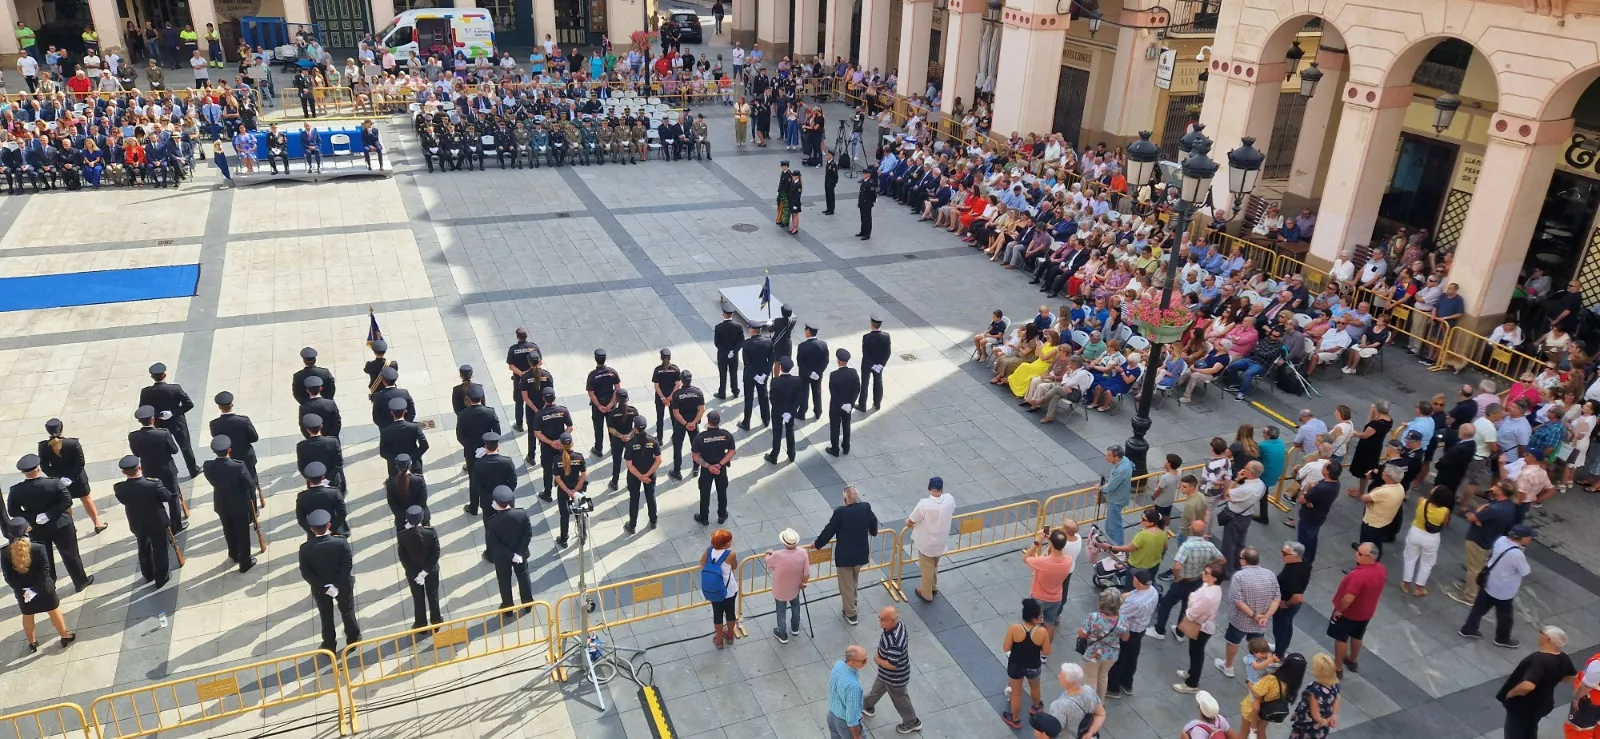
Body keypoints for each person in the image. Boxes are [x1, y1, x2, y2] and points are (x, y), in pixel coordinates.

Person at [8, 455, 91, 592]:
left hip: (36, 528)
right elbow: (66, 501)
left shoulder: (16, 490)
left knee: (44, 558)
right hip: (61, 524)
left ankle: (49, 584)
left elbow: (13, 511)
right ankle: (80, 581)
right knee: (70, 554)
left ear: (23, 473)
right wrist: (49, 514)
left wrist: (33, 517)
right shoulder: (54, 483)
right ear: (38, 468)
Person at [2, 518, 75, 653]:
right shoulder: (37, 548)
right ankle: (65, 635)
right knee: (54, 612)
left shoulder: (4, 553)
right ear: (26, 530)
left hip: (23, 594)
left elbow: (8, 577)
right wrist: (34, 589)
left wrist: (24, 590)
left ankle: (32, 642)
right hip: (44, 589)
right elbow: (45, 571)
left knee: (28, 615)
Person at [1460, 524, 1537, 648]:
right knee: (1505, 617)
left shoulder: (1500, 540)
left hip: (1489, 582)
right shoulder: (1517, 554)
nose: (1530, 539)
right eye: (1529, 537)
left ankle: (1468, 629)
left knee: (1478, 609)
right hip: (1503, 591)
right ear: (1522, 538)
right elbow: (1525, 571)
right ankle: (1502, 638)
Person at [1498, 626, 1578, 739]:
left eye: (1541, 633)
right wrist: (1552, 680)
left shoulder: (1538, 660)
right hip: (1544, 703)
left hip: (1523, 706)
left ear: (1547, 639)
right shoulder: (1563, 657)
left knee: (1514, 732)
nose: (1539, 634)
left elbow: (1528, 686)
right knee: (1530, 728)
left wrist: (1511, 693)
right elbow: (1572, 677)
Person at [1149, 519, 1223, 640]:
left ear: (1190, 530)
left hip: (1184, 581)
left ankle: (1159, 630)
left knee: (1166, 604)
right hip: (1198, 580)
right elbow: (1222, 560)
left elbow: (1177, 566)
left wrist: (1178, 578)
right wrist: (1207, 566)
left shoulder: (1187, 546)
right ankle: (1180, 632)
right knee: (1186, 606)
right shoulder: (1209, 546)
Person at [815, 485, 878, 625]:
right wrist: (873, 532)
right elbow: (873, 521)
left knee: (846, 585)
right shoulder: (865, 507)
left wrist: (818, 544)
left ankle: (851, 613)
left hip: (845, 556)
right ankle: (853, 601)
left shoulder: (840, 512)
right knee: (853, 580)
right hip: (861, 554)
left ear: (845, 499)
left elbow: (829, 530)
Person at [298, 509, 359, 652]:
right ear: (329, 525)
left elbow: (306, 573)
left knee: (326, 616)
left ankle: (329, 644)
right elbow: (346, 566)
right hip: (343, 585)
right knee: (347, 612)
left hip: (321, 589)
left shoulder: (305, 549)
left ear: (312, 529)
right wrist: (336, 585)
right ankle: (353, 640)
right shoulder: (340, 542)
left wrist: (325, 587)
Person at [1216, 547, 1281, 679]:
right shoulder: (1270, 574)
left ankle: (1228, 666)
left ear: (1244, 561)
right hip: (1261, 621)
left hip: (1240, 620)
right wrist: (1266, 616)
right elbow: (1276, 598)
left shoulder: (1239, 576)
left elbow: (1237, 601)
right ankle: (1256, 665)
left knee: (1233, 642)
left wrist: (1253, 615)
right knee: (1257, 644)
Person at [1452, 481, 1517, 605]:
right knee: (1480, 566)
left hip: (1478, 540)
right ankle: (1473, 587)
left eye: (1497, 486)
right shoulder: (1508, 506)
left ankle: (1470, 595)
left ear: (1502, 491)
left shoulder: (1495, 509)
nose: (1493, 487)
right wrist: (1478, 517)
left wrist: (1474, 515)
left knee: (1473, 569)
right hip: (1491, 540)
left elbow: (1474, 517)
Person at [113, 454, 173, 588]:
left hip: (137, 522)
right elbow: (167, 497)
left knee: (143, 548)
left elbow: (123, 501)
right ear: (140, 467)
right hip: (156, 522)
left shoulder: (119, 487)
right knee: (160, 550)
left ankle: (148, 574)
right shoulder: (153, 484)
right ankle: (161, 577)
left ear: (123, 472)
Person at [36, 419, 104, 534]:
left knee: (66, 503)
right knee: (86, 499)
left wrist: (59, 477)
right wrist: (71, 477)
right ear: (61, 429)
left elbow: (45, 467)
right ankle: (97, 524)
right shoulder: (73, 443)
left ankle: (71, 527)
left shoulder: (43, 447)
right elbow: (80, 462)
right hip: (77, 478)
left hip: (59, 481)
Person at [1329, 543, 1385, 677]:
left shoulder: (1359, 576)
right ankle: (1353, 660)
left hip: (1350, 613)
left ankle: (1338, 667)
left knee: (1341, 638)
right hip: (1366, 612)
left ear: (1370, 557)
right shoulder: (1381, 569)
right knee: (1357, 636)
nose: (1356, 554)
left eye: (1360, 554)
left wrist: (1339, 610)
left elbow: (1348, 598)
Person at [861, 606, 920, 732]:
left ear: (892, 621)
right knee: (876, 690)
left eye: (883, 619)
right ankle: (867, 705)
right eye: (880, 618)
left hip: (895, 678)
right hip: (885, 675)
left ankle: (911, 722)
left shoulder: (895, 641)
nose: (880, 621)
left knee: (900, 700)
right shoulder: (899, 625)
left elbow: (892, 665)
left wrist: (878, 660)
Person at [204, 436, 258, 572]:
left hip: (221, 502)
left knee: (228, 529)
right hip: (239, 504)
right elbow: (250, 485)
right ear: (229, 450)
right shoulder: (238, 466)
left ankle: (234, 554)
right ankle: (245, 562)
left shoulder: (208, 466)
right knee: (242, 533)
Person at [139, 362, 199, 478]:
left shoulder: (146, 392)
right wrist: (173, 413)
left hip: (159, 423)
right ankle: (193, 470)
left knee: (162, 449)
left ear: (152, 377)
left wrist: (158, 414)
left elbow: (143, 409)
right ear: (164, 375)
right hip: (177, 421)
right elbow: (189, 404)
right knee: (185, 446)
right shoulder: (175, 389)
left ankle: (166, 472)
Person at [1105, 569, 1158, 698]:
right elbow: (1132, 594)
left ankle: (1113, 688)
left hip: (1130, 632)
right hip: (1141, 630)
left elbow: (1119, 614)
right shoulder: (1152, 591)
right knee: (1132, 659)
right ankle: (1127, 684)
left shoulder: (1136, 603)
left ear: (1138, 582)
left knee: (1119, 660)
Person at [1173, 562, 1224, 694]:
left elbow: (1192, 612)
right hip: (1203, 625)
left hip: (1201, 627)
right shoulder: (1212, 587)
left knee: (1196, 654)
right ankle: (1191, 673)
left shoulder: (1209, 595)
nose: (1203, 573)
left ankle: (1192, 683)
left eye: (1207, 573)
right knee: (1194, 652)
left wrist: (1191, 600)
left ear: (1214, 578)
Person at [1002, 598, 1053, 726]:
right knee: (1035, 687)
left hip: (1015, 665)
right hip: (1033, 665)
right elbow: (1046, 652)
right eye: (1040, 615)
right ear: (1035, 618)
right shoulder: (1042, 632)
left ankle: (1015, 719)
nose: (1042, 617)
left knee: (1016, 694)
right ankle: (1036, 707)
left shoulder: (1014, 628)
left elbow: (1006, 648)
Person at [485, 485, 534, 612]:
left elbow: (495, 544)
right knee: (523, 577)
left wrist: (511, 555)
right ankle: (527, 604)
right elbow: (528, 534)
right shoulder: (521, 514)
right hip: (521, 554)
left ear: (496, 503)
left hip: (502, 557)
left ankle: (508, 607)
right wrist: (518, 553)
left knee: (504, 580)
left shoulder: (492, 522)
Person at [905, 476, 955, 602]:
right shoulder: (949, 499)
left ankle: (926, 593)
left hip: (926, 542)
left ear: (929, 489)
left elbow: (912, 520)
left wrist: (909, 524)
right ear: (941, 489)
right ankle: (934, 586)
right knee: (934, 564)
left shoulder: (924, 504)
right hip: (941, 540)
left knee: (926, 568)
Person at [1024, 526, 1077, 642]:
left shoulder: (1042, 562)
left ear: (1051, 544)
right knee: (1049, 625)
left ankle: (1027, 646)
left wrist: (1037, 542)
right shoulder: (1068, 560)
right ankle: (1045, 652)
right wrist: (1052, 542)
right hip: (1056, 598)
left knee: (1030, 624)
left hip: (1038, 597)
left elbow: (1026, 557)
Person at [1401, 484, 1453, 597]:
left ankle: (1406, 584)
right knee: (1427, 563)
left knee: (1410, 558)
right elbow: (1444, 523)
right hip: (1432, 537)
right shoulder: (1445, 511)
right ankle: (1419, 588)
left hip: (1415, 532)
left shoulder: (1422, 501)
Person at [396, 505, 442, 630]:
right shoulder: (430, 532)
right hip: (431, 571)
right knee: (433, 595)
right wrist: (425, 571)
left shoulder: (402, 536)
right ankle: (436, 622)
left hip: (413, 573)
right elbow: (436, 553)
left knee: (418, 598)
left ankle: (421, 624)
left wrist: (416, 574)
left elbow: (403, 558)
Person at [1077, 589, 1128, 698]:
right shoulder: (1122, 619)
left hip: (1093, 653)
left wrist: (1080, 631)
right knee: (1103, 677)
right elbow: (1125, 638)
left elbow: (1083, 635)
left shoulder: (1093, 617)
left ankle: (1090, 705)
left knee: (1090, 680)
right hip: (1111, 654)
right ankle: (1100, 702)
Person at [765, 528, 810, 643]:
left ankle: (782, 633)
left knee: (781, 610)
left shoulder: (777, 555)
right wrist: (803, 583)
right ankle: (795, 627)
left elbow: (768, 561)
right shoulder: (803, 552)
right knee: (796, 606)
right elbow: (806, 573)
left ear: (784, 542)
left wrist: (768, 552)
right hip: (795, 587)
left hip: (780, 589)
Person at [691, 410, 736, 524]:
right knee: (722, 491)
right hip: (721, 468)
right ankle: (722, 515)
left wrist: (709, 466)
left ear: (708, 421)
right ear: (719, 421)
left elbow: (695, 456)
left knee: (705, 493)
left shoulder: (700, 438)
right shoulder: (726, 435)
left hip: (706, 470)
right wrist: (720, 464)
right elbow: (732, 452)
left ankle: (704, 517)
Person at [1222, 462, 1266, 577]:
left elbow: (1227, 493)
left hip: (1235, 516)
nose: (1243, 469)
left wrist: (1236, 480)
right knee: (1240, 542)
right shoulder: (1261, 485)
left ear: (1250, 472)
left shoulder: (1246, 489)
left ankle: (1227, 571)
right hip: (1247, 516)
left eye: (1245, 468)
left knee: (1229, 544)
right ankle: (1239, 564)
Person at [1355, 464, 1406, 561]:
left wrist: (1373, 492)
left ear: (1389, 477)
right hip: (1385, 522)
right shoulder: (1400, 487)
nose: (1382, 473)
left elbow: (1364, 497)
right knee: (1377, 544)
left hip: (1372, 523)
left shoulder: (1383, 492)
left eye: (1384, 472)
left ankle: (1364, 564)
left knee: (1367, 545)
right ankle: (1375, 560)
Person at [1288, 653, 1342, 739]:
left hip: (1308, 726)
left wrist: (1324, 722)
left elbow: (1315, 715)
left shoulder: (1315, 692)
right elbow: (1337, 698)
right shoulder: (1335, 682)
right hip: (1322, 725)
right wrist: (1334, 715)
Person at [622, 417, 661, 534]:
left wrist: (640, 476)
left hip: (634, 476)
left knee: (634, 498)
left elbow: (629, 464)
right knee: (651, 496)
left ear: (635, 428)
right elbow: (658, 460)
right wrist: (647, 475)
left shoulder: (630, 443)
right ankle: (653, 521)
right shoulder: (653, 441)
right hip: (650, 475)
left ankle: (632, 524)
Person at [702, 529, 740, 649]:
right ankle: (729, 636)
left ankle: (719, 640)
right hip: (729, 590)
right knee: (730, 613)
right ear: (724, 543)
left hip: (715, 590)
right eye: (729, 540)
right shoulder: (730, 554)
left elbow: (702, 562)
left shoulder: (709, 550)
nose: (731, 541)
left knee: (717, 614)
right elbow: (735, 566)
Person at [1048, 663, 1106, 739]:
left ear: (1070, 682)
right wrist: (1090, 732)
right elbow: (1101, 714)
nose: (1058, 676)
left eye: (1061, 676)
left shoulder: (1059, 706)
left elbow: (1052, 731)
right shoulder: (1089, 691)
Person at [1273, 541, 1311, 658]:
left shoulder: (1294, 573)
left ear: (1295, 556)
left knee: (1281, 628)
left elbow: (1298, 597)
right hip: (1288, 603)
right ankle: (1281, 647)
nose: (1282, 555)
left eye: (1285, 553)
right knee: (1286, 626)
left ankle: (1279, 655)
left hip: (1287, 604)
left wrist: (1286, 604)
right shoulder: (1303, 563)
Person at [766, 357, 802, 463]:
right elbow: (799, 398)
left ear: (781, 368)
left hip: (778, 412)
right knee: (790, 431)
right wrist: (790, 412)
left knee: (777, 432)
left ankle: (774, 455)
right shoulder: (797, 381)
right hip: (790, 412)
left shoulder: (775, 382)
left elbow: (773, 400)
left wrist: (782, 413)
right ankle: (791, 454)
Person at [828, 645, 868, 738]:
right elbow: (851, 719)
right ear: (853, 662)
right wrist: (856, 736)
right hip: (844, 723)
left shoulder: (839, 665)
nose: (866, 662)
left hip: (832, 715)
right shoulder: (854, 687)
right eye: (863, 660)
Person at [827, 348, 861, 455]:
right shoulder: (853, 373)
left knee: (835, 428)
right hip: (848, 407)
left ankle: (835, 449)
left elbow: (834, 393)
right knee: (846, 426)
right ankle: (846, 447)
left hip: (836, 407)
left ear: (838, 361)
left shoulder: (834, 375)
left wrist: (841, 404)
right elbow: (857, 390)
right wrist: (850, 403)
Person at [1099, 445, 1134, 545]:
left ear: (1117, 457)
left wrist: (1101, 487)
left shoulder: (1121, 470)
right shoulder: (1125, 460)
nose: (1106, 457)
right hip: (1117, 497)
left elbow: (1111, 487)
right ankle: (1110, 542)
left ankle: (1118, 548)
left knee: (1114, 525)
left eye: (1109, 455)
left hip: (1116, 499)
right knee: (1110, 522)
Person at [859, 315, 891, 410]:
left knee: (865, 384)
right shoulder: (886, 336)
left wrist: (872, 365)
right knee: (878, 382)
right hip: (879, 364)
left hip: (867, 364)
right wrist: (881, 365)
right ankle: (877, 404)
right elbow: (888, 352)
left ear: (871, 324)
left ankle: (862, 405)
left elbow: (865, 353)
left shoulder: (867, 337)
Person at [856, 168, 877, 240]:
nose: (863, 175)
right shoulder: (864, 181)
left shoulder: (870, 183)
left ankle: (867, 234)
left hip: (867, 203)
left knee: (867, 218)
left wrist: (872, 201)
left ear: (868, 174)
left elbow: (873, 194)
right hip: (862, 202)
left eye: (864, 174)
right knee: (863, 217)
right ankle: (863, 231)